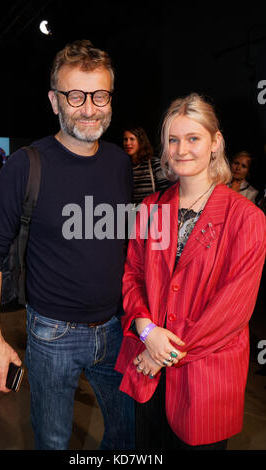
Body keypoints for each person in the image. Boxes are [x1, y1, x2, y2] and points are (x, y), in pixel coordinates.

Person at [0, 39, 135, 450]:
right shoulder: (27, 165)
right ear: (54, 100)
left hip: (117, 330)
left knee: (128, 433)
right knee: (53, 441)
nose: (90, 107)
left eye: (100, 95)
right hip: (52, 336)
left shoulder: (119, 162)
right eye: (75, 95)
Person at [115, 93, 266, 450]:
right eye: (173, 139)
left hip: (204, 377)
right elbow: (132, 275)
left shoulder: (247, 218)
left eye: (193, 138)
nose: (182, 149)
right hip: (147, 372)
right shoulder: (151, 208)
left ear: (215, 143)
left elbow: (232, 310)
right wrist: (145, 328)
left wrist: (159, 353)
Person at [123, 125, 171, 205]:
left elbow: (166, 193)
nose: (128, 143)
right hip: (130, 215)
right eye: (125, 139)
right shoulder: (123, 167)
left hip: (151, 214)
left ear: (140, 141)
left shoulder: (154, 164)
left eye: (132, 139)